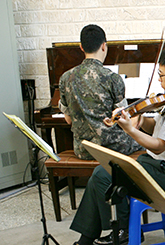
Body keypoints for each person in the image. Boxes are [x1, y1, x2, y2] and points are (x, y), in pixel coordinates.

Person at [52, 46, 165, 245]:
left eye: (161, 76)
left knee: (104, 175)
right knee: (102, 173)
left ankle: (122, 230)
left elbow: (159, 145)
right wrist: (140, 119)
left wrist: (130, 130)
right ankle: (89, 242)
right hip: (155, 164)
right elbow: (159, 129)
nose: (159, 81)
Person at [58, 24, 142, 160]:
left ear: (81, 47)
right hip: (113, 148)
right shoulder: (113, 78)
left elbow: (69, 120)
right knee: (147, 145)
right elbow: (123, 120)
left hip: (82, 150)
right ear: (104, 46)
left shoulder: (66, 77)